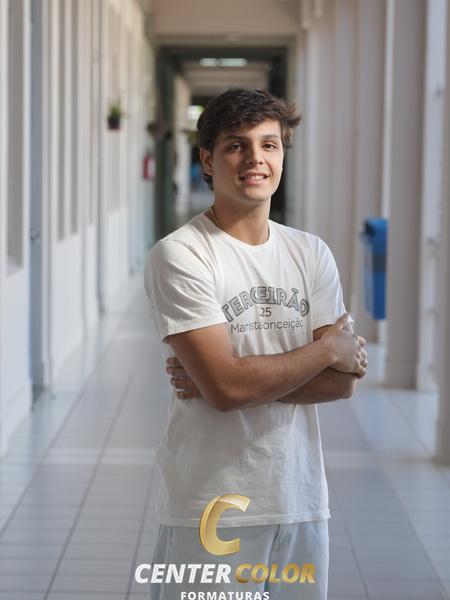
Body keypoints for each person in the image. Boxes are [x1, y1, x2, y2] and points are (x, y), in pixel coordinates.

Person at [144, 88, 367, 600]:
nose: (255, 159)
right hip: (210, 508)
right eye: (236, 145)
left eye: (269, 144)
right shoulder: (182, 255)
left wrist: (230, 379)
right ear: (207, 159)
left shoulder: (310, 253)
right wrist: (326, 352)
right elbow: (227, 389)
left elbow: (341, 386)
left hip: (300, 501)